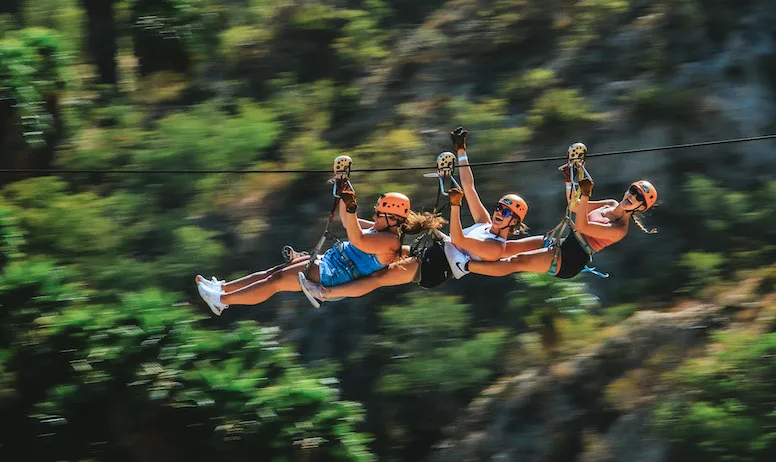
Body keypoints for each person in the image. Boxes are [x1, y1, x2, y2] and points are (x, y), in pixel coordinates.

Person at [298, 127, 536, 302]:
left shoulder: (496, 247)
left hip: (435, 267)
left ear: (514, 222)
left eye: (505, 212)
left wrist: (454, 206)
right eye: (499, 207)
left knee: (378, 278)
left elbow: (460, 240)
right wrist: (461, 151)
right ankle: (320, 257)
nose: (498, 212)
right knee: (382, 242)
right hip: (434, 251)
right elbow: (470, 188)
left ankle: (326, 293)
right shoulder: (484, 224)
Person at [195, 189, 442, 315]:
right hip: (332, 262)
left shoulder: (389, 241)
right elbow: (348, 222)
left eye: (378, 214)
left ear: (392, 219)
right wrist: (345, 192)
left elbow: (355, 236)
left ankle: (221, 301)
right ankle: (223, 289)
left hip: (335, 274)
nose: (374, 216)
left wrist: (353, 208)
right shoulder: (381, 230)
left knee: (277, 281)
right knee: (275, 272)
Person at [460, 173, 658, 280]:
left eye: (639, 197)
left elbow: (582, 224)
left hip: (570, 259)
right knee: (508, 247)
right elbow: (575, 206)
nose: (632, 196)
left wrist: (586, 194)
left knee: (516, 261)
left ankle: (465, 266)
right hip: (564, 243)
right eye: (633, 190)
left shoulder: (620, 230)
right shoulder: (610, 204)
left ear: (641, 207)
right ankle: (466, 250)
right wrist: (569, 180)